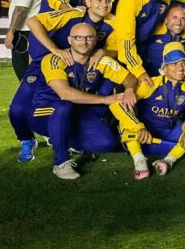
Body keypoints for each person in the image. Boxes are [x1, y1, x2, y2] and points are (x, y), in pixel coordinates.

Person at [9, 0, 118, 164]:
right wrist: (55, 50)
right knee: (17, 110)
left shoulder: (114, 23)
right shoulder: (73, 14)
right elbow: (33, 21)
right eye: (98, 0)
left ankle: (64, 138)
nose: (104, 4)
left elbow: (120, 50)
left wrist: (104, 52)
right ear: (88, 2)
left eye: (107, 1)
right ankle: (27, 140)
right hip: (44, 64)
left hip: (73, 72)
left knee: (67, 108)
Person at [30, 23, 137, 180]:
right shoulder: (54, 59)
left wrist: (129, 90)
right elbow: (64, 94)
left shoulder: (100, 60)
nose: (84, 42)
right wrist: (104, 100)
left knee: (106, 143)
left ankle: (62, 138)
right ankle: (61, 162)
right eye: (78, 38)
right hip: (44, 113)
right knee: (63, 107)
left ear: (95, 40)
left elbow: (130, 78)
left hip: (77, 114)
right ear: (70, 40)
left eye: (89, 38)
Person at [109, 42, 185, 179]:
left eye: (183, 63)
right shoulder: (151, 83)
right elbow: (117, 104)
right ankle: (139, 161)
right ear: (164, 68)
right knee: (126, 112)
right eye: (174, 64)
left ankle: (168, 161)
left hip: (168, 136)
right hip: (143, 137)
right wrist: (139, 127)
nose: (180, 68)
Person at [115, 0, 171, 87]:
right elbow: (125, 42)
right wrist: (139, 71)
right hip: (119, 51)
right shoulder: (130, 0)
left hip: (142, 49)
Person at [5, 0, 44, 80]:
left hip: (24, 30)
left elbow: (21, 8)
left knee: (22, 67)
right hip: (37, 29)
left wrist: (11, 31)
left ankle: (27, 91)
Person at [142, 4, 185, 77]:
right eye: (175, 17)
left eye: (183, 18)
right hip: (149, 75)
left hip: (176, 77)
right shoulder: (153, 28)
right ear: (166, 19)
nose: (178, 22)